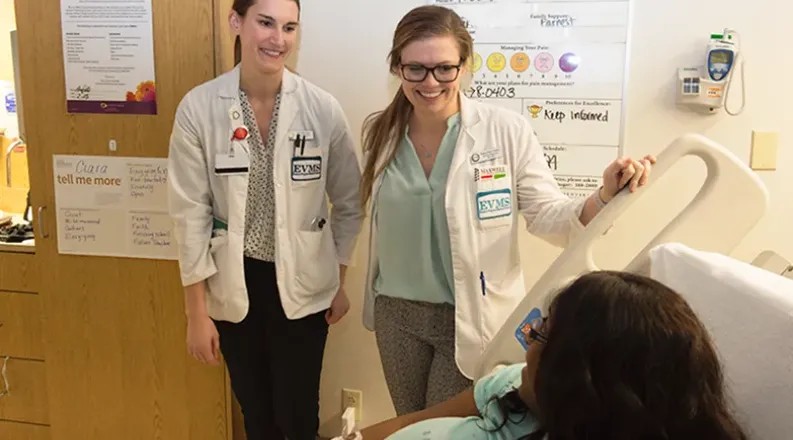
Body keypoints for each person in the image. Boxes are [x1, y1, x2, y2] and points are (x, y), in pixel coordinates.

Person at [359, 5, 656, 415]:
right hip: (397, 315)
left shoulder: (504, 131)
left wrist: (603, 196)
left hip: (469, 315)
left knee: (452, 430)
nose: (430, 82)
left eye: (444, 68)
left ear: (464, 66)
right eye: (416, 69)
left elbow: (549, 216)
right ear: (397, 67)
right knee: (411, 423)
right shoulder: (381, 133)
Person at [166, 0, 363, 438]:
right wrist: (196, 314)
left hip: (306, 286)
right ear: (236, 23)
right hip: (236, 285)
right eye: (266, 23)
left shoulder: (321, 108)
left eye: (290, 27)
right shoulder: (199, 108)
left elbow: (350, 201)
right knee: (256, 415)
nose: (278, 39)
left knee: (298, 419)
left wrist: (340, 279)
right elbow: (189, 214)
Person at [357, 270, 750, 440]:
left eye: (543, 335)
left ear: (585, 376)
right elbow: (420, 418)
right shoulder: (511, 384)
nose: (527, 345)